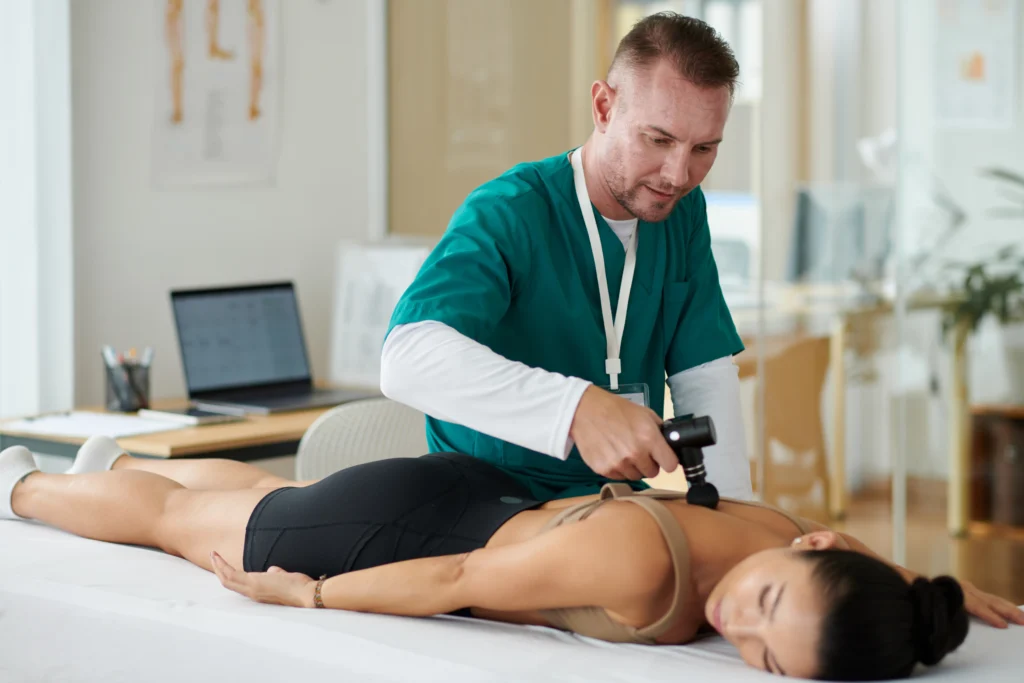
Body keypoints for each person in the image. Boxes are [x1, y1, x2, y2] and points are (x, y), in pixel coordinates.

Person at [2, 439, 1020, 681]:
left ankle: (114, 460)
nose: (729, 624)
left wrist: (929, 591)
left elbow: (834, 568)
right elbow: (457, 584)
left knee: (231, 497)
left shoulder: (782, 534)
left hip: (475, 496)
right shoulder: (642, 568)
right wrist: (306, 592)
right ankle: (25, 485)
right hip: (414, 535)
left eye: (760, 656)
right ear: (813, 549)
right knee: (179, 524)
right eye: (758, 604)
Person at [380, 12, 752, 501]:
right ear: (603, 107)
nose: (678, 174)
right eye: (658, 140)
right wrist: (577, 409)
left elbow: (702, 374)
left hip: (611, 503)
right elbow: (406, 357)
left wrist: (739, 523)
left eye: (703, 148)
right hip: (490, 504)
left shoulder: (680, 212)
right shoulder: (511, 211)